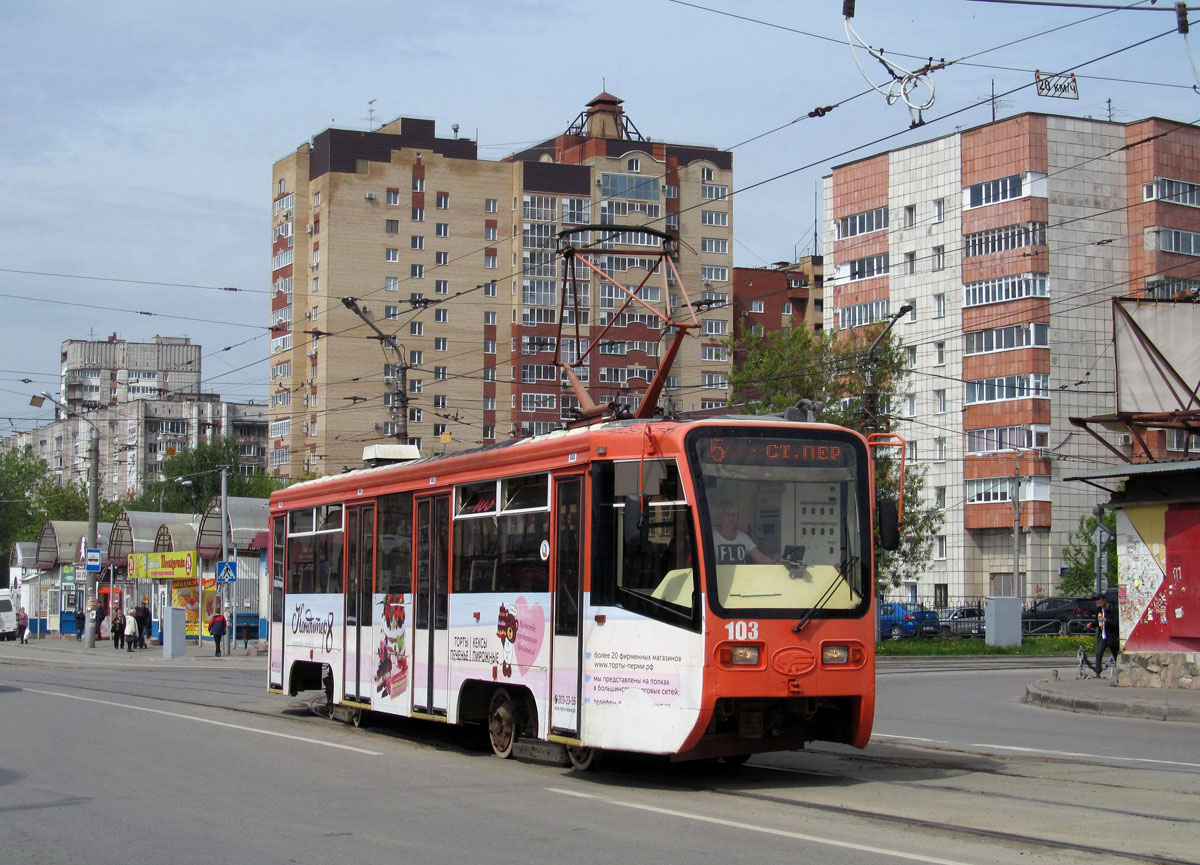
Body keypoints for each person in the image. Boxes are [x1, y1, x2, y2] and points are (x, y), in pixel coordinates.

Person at [712, 503, 778, 565]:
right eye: (727, 515)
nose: (731, 518)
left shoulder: (744, 538)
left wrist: (776, 563)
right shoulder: (713, 538)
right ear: (720, 517)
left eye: (733, 515)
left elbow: (760, 557)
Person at [1095, 595, 1119, 676]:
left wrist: (1106, 620)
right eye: (1098, 603)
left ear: (1105, 601)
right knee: (1099, 654)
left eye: (1101, 602)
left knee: (1116, 654)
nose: (1099, 604)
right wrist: (1091, 624)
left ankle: (1119, 670)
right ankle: (1097, 672)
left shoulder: (1113, 609)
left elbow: (1116, 624)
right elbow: (1098, 622)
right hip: (1103, 636)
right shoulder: (1099, 610)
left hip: (1112, 636)